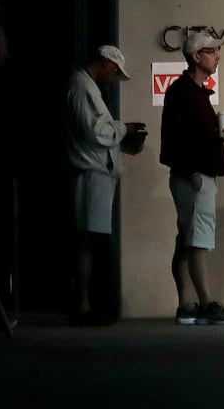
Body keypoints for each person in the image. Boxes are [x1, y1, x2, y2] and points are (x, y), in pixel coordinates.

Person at [160, 29, 224, 326]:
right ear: (196, 56)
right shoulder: (184, 92)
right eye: (213, 50)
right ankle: (205, 302)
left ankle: (186, 304)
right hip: (194, 177)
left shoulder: (192, 92)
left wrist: (216, 137)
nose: (218, 56)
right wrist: (192, 172)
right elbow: (175, 138)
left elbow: (188, 136)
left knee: (187, 241)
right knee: (197, 241)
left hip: (195, 175)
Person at [64, 43, 140, 325]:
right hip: (89, 172)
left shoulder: (86, 87)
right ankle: (81, 306)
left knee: (89, 241)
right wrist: (124, 129)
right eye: (115, 72)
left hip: (95, 172)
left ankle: (84, 303)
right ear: (107, 63)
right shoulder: (82, 87)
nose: (114, 79)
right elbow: (95, 132)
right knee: (85, 240)